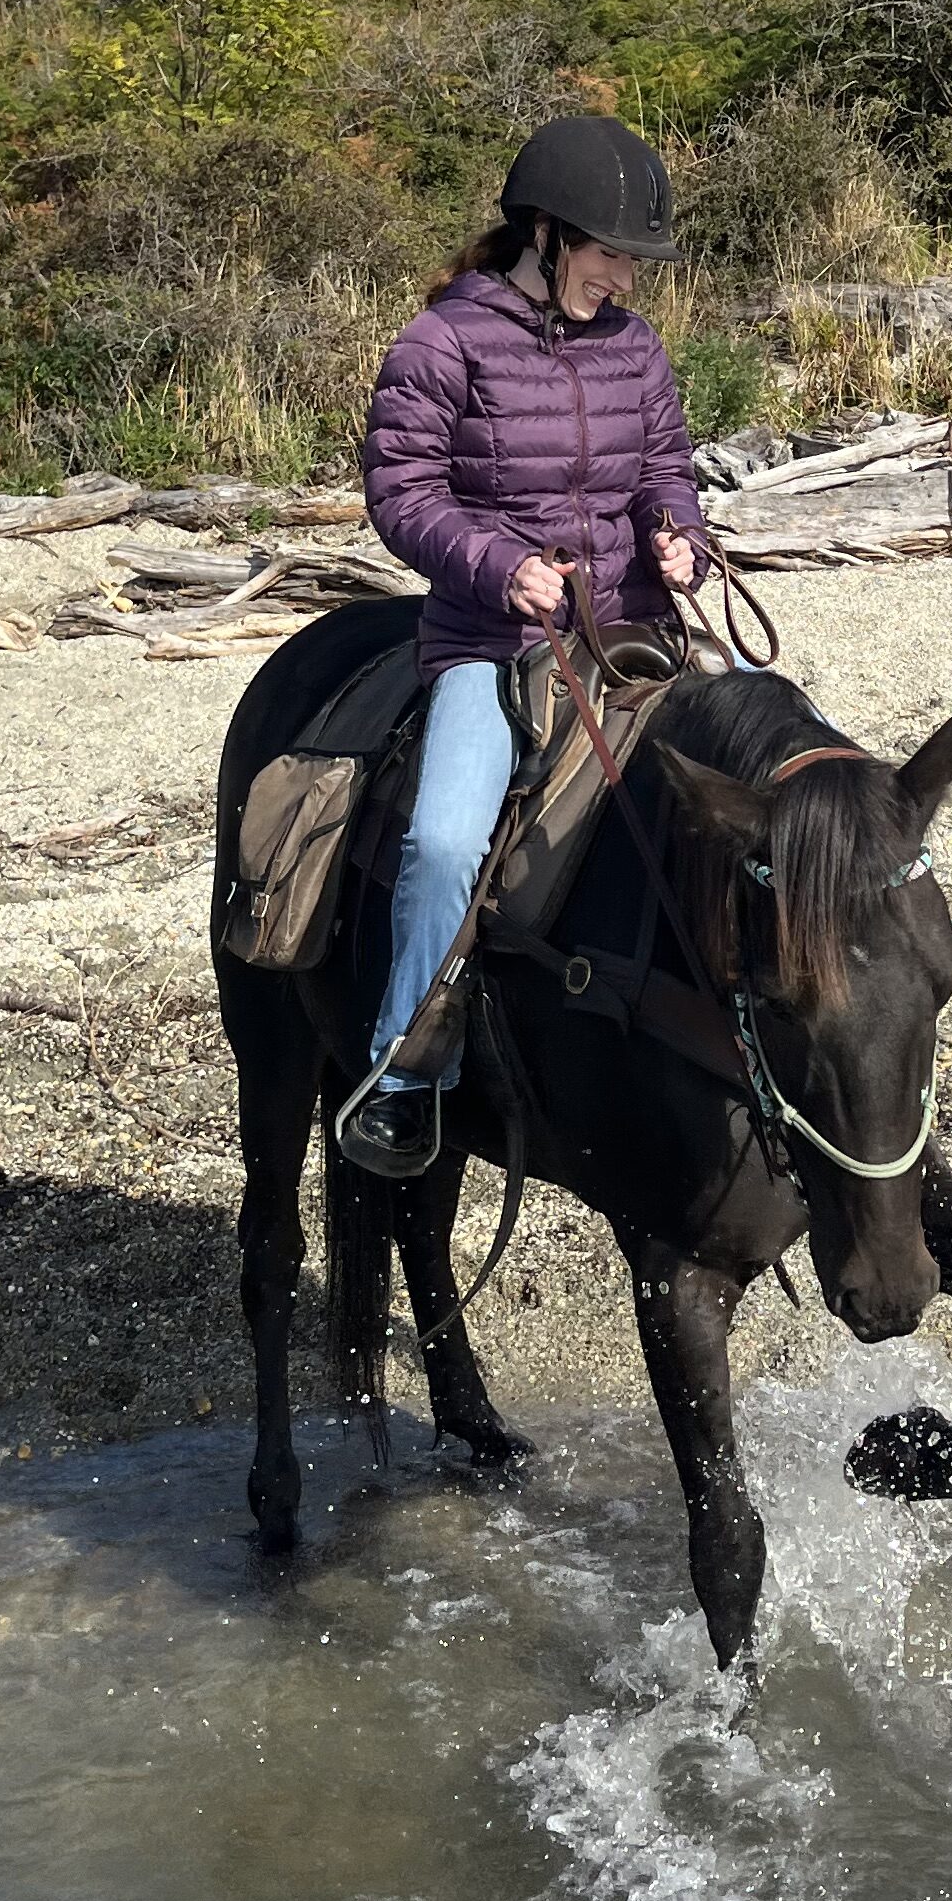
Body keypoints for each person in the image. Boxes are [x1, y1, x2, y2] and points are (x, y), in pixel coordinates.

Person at [339, 113, 709, 1175]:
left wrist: (679, 534)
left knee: (778, 773)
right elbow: (399, 491)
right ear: (545, 233)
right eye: (610, 257)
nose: (626, 283)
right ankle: (403, 1074)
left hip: (636, 631)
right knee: (447, 842)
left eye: (633, 263)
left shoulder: (635, 348)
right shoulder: (443, 340)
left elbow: (666, 467)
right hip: (493, 641)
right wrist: (497, 566)